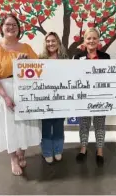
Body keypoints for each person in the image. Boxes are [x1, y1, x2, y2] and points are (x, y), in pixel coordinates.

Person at [0, 14, 41, 176]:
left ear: (19, 28)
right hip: (2, 89)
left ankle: (21, 152)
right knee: (9, 126)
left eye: (14, 25)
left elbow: (38, 70)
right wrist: (5, 96)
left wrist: (26, 63)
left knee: (23, 124)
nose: (11, 27)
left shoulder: (26, 48)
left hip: (23, 89)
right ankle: (13, 158)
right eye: (8, 24)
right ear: (1, 27)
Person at [73, 28, 110, 166]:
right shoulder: (78, 57)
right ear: (84, 41)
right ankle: (83, 149)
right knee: (84, 123)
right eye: (89, 38)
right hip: (84, 96)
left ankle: (99, 151)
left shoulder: (106, 57)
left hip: (100, 95)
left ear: (98, 40)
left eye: (94, 38)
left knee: (100, 124)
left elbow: (109, 76)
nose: (91, 41)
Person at [38, 32, 68, 164]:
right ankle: (47, 152)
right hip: (45, 99)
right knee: (46, 125)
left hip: (61, 98)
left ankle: (58, 150)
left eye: (53, 41)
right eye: (48, 41)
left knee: (58, 125)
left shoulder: (65, 59)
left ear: (58, 43)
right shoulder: (40, 59)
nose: (51, 43)